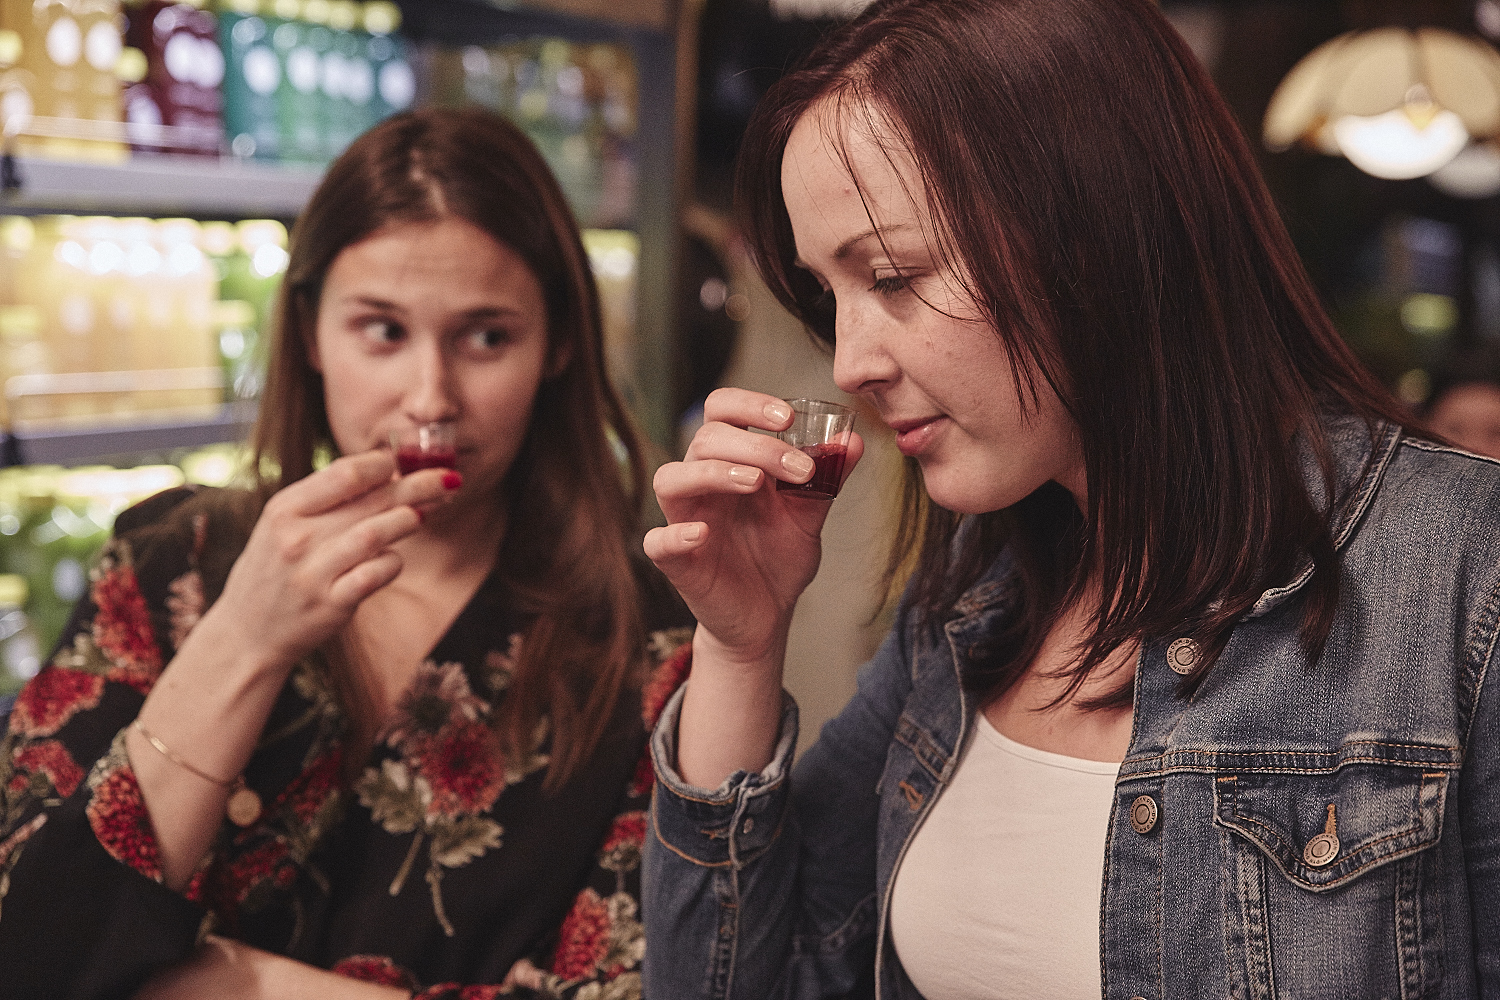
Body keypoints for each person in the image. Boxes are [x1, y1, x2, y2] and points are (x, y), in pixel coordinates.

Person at [639, 0, 1500, 997]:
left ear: (1094, 228)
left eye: (895, 276)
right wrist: (740, 647)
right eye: (830, 298)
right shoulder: (973, 603)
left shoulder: (1460, 578)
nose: (852, 362)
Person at [0, 106, 692, 1000]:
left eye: (487, 337)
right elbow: (27, 943)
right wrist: (243, 638)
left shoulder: (650, 642)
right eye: (383, 330)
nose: (430, 397)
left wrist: (204, 980)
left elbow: (630, 984)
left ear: (557, 342)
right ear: (311, 333)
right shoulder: (168, 559)